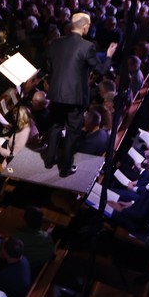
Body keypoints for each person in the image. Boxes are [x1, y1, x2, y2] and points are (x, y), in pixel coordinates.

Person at [42, 12, 117, 178]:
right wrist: (109, 56)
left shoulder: (56, 42)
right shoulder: (87, 46)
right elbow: (101, 70)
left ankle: (49, 160)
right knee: (73, 131)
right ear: (85, 26)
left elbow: (47, 65)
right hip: (75, 97)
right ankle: (65, 168)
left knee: (55, 126)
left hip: (57, 93)